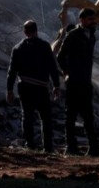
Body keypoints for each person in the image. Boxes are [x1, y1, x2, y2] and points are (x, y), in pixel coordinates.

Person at [56, 8, 99, 157]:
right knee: (71, 115)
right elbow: (60, 56)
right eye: (90, 19)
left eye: (94, 19)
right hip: (74, 82)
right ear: (82, 20)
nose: (94, 22)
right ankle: (70, 147)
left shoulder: (91, 35)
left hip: (85, 81)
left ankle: (93, 148)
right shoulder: (73, 35)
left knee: (88, 115)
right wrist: (66, 72)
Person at [6, 20, 60, 153]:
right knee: (46, 117)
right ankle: (48, 147)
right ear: (37, 31)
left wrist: (9, 90)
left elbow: (12, 71)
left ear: (25, 32)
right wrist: (56, 85)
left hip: (24, 87)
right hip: (41, 87)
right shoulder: (45, 46)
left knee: (27, 116)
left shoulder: (17, 48)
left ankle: (30, 145)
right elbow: (52, 67)